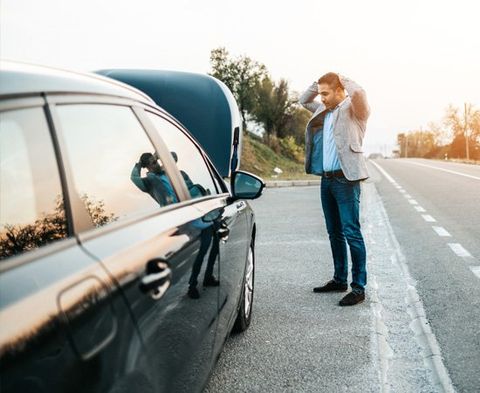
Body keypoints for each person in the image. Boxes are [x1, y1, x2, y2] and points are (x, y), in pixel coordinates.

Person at [299, 72, 370, 306]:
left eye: (326, 94)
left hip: (346, 180)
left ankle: (358, 288)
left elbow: (358, 92)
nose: (322, 98)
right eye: (320, 94)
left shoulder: (354, 109)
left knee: (351, 232)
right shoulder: (322, 110)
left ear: (340, 91)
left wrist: (342, 76)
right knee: (334, 232)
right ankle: (339, 279)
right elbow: (303, 100)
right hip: (327, 180)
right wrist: (318, 82)